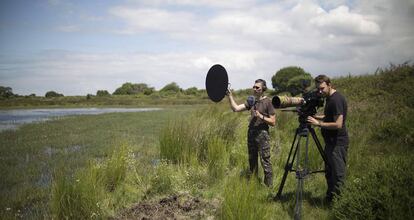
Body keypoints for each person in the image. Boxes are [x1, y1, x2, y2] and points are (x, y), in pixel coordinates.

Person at [307, 75, 349, 202]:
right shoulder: (329, 98)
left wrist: (318, 124)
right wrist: (317, 117)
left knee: (338, 175)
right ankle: (330, 199)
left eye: (322, 88)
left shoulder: (336, 99)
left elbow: (338, 124)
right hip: (330, 143)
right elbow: (329, 115)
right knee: (330, 172)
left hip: (337, 143)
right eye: (318, 89)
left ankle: (341, 204)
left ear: (329, 85)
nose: (320, 92)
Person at [227, 79, 276, 187]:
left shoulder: (268, 102)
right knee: (252, 160)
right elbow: (236, 108)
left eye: (257, 87)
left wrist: (261, 116)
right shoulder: (251, 100)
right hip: (251, 133)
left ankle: (269, 187)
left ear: (263, 89)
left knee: (265, 161)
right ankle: (254, 185)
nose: (254, 89)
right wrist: (230, 96)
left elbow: (273, 122)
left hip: (262, 134)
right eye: (254, 87)